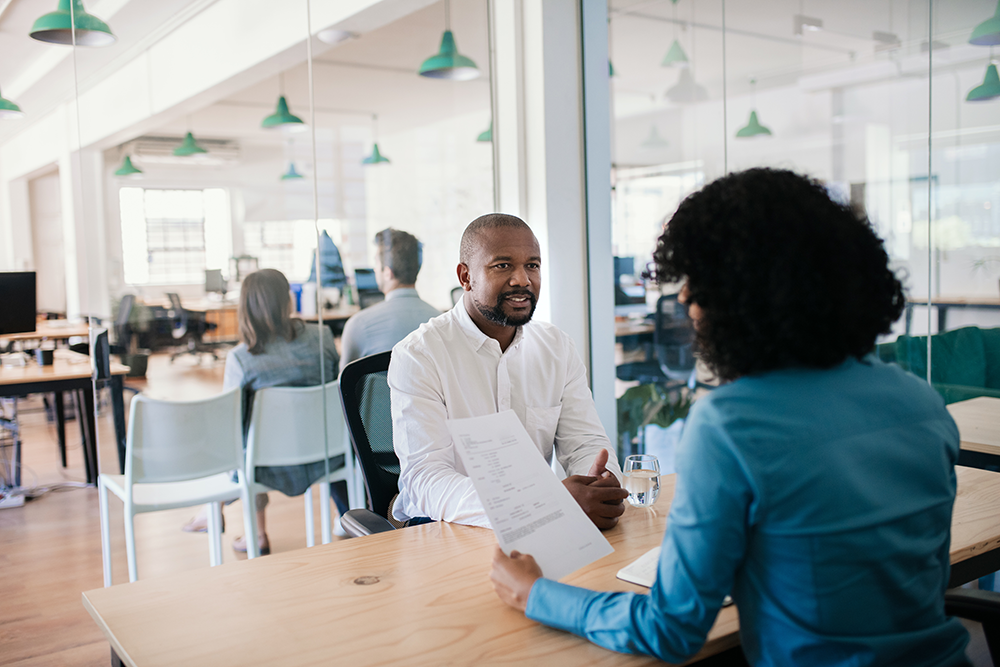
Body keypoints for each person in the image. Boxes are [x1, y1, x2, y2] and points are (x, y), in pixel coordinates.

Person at [490, 169, 970, 666]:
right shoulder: (922, 402)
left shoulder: (733, 425)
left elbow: (670, 629)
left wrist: (535, 594)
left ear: (743, 296)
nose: (683, 298)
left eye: (696, 281)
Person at [389, 213, 628, 529]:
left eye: (532, 265)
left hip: (543, 529)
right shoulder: (419, 355)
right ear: (466, 276)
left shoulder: (557, 347)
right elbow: (425, 480)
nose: (523, 280)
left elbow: (585, 443)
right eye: (502, 266)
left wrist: (602, 482)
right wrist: (542, 503)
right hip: (450, 528)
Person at [182, 269, 344, 555]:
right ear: (287, 302)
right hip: (326, 454)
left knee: (242, 441)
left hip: (269, 466)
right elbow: (335, 394)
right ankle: (220, 515)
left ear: (246, 308)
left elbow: (231, 425)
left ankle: (252, 531)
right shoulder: (322, 337)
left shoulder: (242, 359)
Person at [339, 228, 440, 367]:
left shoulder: (359, 325)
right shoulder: (441, 322)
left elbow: (345, 382)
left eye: (376, 263)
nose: (374, 269)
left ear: (387, 272)